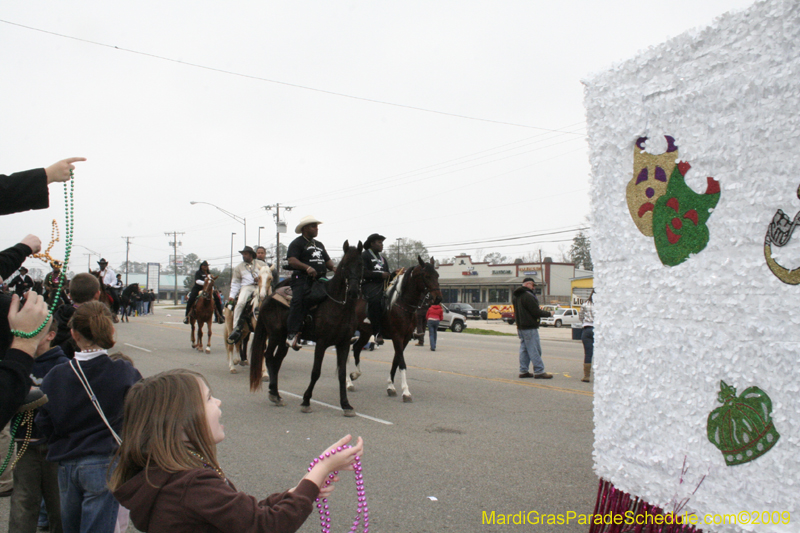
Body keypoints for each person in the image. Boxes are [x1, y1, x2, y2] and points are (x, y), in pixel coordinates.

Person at [110, 369, 364, 532]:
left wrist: (303, 489)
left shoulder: (170, 473)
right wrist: (321, 469)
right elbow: (265, 526)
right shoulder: (192, 484)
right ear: (182, 421)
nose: (219, 402)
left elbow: (242, 516)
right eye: (209, 398)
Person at [35, 301, 142, 533]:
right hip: (105, 461)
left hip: (66, 463)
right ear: (110, 330)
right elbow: (140, 416)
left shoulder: (55, 376)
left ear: (73, 334)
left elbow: (43, 422)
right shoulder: (124, 371)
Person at [8, 319, 67, 533]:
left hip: (54, 448)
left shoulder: (63, 365)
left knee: (59, 505)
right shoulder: (18, 364)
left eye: (35, 333)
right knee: (23, 503)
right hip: (25, 445)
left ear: (50, 336)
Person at [285, 216, 335, 350]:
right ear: (305, 228)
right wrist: (307, 268)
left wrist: (337, 269)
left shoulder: (319, 245)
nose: (316, 228)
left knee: (336, 297)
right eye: (313, 226)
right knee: (298, 300)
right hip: (301, 279)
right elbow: (292, 260)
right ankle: (292, 333)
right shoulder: (297, 243)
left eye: (316, 226)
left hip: (320, 280)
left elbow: (328, 263)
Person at [512, 277, 553, 379]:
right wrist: (549, 313)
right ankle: (539, 371)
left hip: (520, 326)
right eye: (533, 285)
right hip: (529, 326)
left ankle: (523, 370)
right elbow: (535, 312)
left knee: (524, 349)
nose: (534, 288)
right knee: (534, 349)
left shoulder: (516, 296)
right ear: (528, 284)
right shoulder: (528, 296)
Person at [361, 233, 398, 345]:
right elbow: (363, 272)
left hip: (383, 285)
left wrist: (393, 274)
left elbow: (386, 275)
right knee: (376, 300)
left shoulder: (383, 259)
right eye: (379, 242)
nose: (382, 245)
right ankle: (376, 332)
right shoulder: (365, 255)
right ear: (372, 243)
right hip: (369, 285)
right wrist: (379, 275)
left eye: (382, 243)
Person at [226, 247, 267, 343]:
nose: (244, 256)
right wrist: (232, 295)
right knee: (240, 303)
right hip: (247, 287)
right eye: (243, 254)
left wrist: (260, 279)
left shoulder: (262, 264)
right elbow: (235, 283)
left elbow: (267, 275)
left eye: (246, 254)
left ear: (251, 255)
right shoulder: (238, 267)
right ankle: (236, 329)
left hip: (260, 287)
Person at [579, 290, 595, 383]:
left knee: (588, 353)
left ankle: (586, 376)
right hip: (598, 330)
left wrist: (585, 322)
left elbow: (580, 316)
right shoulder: (602, 304)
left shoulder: (585, 304)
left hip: (587, 328)